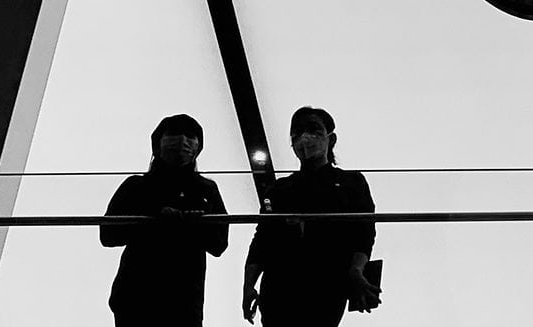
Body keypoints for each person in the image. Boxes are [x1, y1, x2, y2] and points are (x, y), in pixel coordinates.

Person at [243, 107, 380, 325]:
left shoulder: (351, 182)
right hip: (281, 284)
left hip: (326, 282)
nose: (305, 137)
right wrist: (248, 285)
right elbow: (262, 241)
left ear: (330, 139)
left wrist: (356, 269)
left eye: (314, 129)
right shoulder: (280, 189)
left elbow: (364, 233)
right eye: (297, 132)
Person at [102, 113, 229, 327]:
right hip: (137, 297)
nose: (182, 140)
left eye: (190, 135)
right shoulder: (136, 185)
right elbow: (108, 234)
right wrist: (155, 217)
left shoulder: (206, 188)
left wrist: (193, 225)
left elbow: (219, 243)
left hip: (184, 299)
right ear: (157, 143)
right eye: (174, 133)